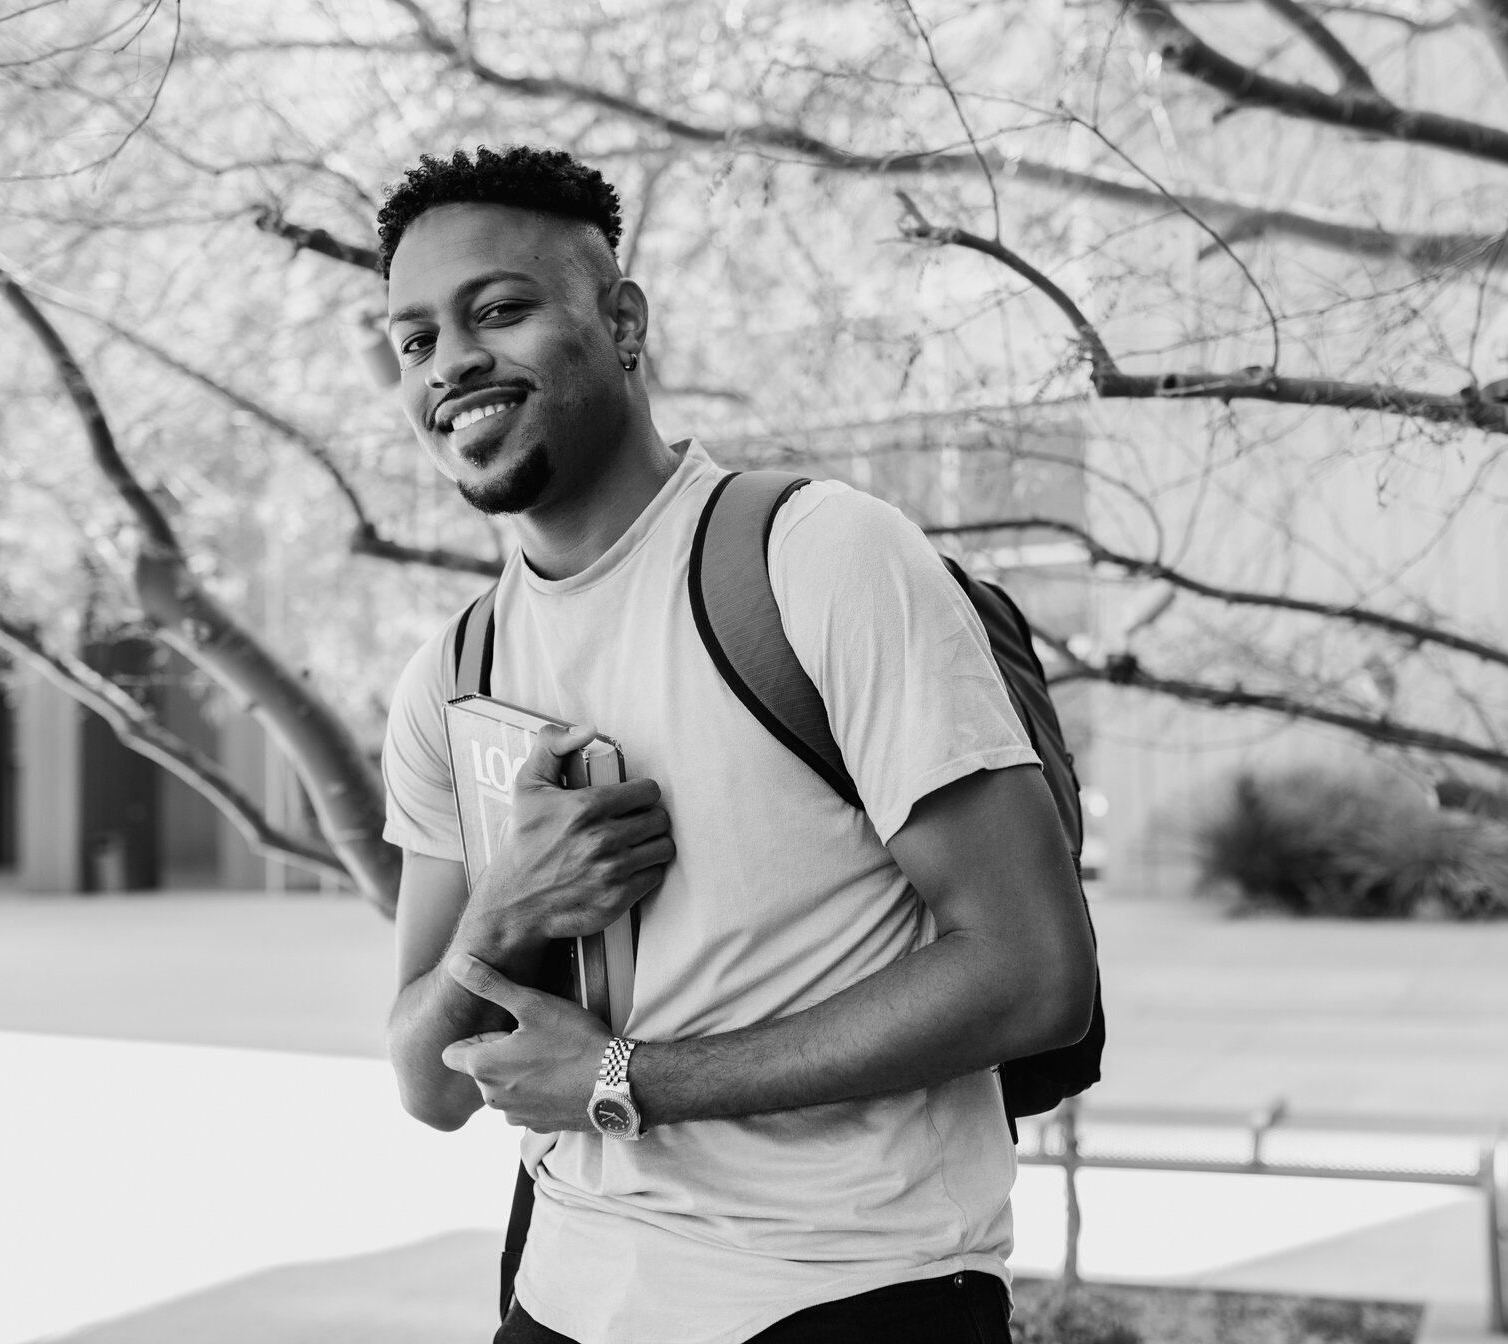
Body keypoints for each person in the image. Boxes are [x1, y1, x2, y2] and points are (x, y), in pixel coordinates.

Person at [377, 145, 1096, 1344]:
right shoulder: (450, 677)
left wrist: (622, 1082)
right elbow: (427, 1082)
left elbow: (1032, 974)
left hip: (846, 1290)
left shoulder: (814, 559)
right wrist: (504, 914)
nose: (451, 362)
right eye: (412, 339)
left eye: (498, 309)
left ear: (622, 324)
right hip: (563, 1295)